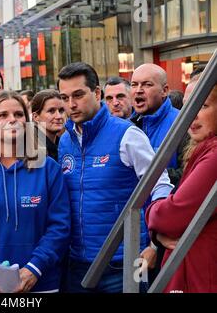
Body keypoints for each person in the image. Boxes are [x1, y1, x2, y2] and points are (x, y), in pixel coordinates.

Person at [57, 62, 173, 293]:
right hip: (78, 264)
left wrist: (154, 244)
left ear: (97, 93)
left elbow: (160, 186)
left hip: (124, 263)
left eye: (78, 95)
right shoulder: (65, 141)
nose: (71, 104)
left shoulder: (127, 134)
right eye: (65, 97)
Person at [0, 91, 71, 293]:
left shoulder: (48, 169)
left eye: (18, 115)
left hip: (39, 282)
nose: (12, 120)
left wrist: (34, 269)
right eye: (3, 115)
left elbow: (59, 227)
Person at [146, 83, 217, 293]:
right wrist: (158, 234)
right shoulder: (203, 150)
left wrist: (154, 209)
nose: (191, 114)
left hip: (202, 275)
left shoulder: (213, 157)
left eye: (202, 105)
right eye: (187, 106)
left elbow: (170, 216)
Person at [31, 90, 65, 161]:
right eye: (51, 111)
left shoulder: (65, 144)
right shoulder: (31, 149)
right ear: (36, 117)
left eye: (61, 110)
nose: (59, 116)